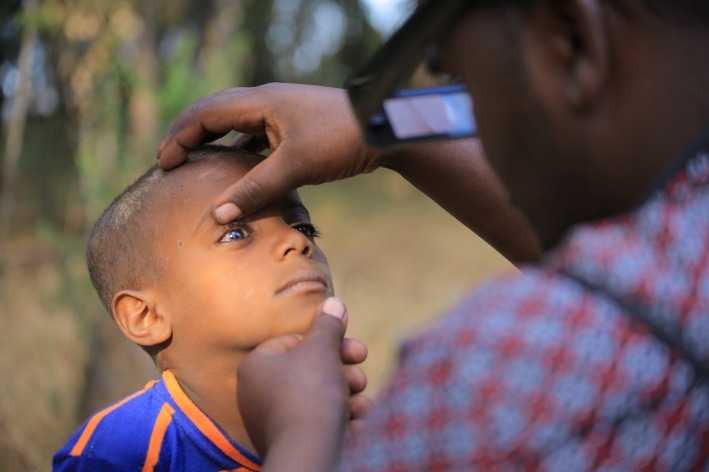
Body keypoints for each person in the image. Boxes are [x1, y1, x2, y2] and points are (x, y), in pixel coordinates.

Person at [156, 0, 709, 470]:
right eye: (233, 233)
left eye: (460, 87)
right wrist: (384, 127)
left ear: (573, 44)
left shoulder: (494, 381)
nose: (297, 243)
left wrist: (303, 438)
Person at [52, 145, 368, 471]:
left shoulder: (348, 431)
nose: (296, 241)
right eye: (235, 233)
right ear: (148, 316)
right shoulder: (119, 452)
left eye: (303, 227)